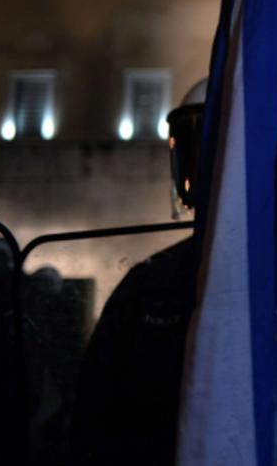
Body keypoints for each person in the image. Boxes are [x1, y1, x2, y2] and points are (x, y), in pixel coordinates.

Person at [70, 80, 206, 465]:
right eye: (198, 148)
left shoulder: (152, 282)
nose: (209, 165)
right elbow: (94, 420)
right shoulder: (151, 284)